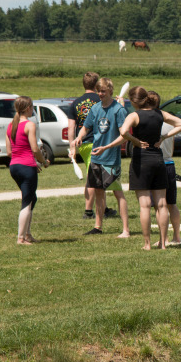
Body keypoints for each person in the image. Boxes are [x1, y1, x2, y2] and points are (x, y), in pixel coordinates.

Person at [118, 87, 181, 250]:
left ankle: (147, 244)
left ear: (134, 101)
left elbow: (122, 131)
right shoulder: (159, 114)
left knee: (145, 205)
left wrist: (134, 141)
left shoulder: (134, 115)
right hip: (158, 159)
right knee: (162, 204)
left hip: (141, 161)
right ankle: (163, 243)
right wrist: (164, 137)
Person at [71, 77, 131, 238]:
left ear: (111, 90)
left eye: (103, 91)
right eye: (98, 91)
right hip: (96, 158)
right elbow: (86, 127)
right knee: (98, 192)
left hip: (111, 159)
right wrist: (79, 137)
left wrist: (107, 147)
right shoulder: (95, 108)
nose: (100, 94)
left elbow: (124, 136)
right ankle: (98, 226)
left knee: (118, 193)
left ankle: (126, 229)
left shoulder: (119, 110)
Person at [7, 96, 50, 245]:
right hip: (26, 167)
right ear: (27, 108)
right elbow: (34, 148)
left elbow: (9, 152)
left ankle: (28, 234)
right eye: (32, 107)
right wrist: (43, 161)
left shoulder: (11, 126)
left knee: (32, 198)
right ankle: (21, 238)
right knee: (27, 201)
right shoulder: (29, 125)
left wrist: (31, 163)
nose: (33, 110)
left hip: (14, 167)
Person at [67, 71, 103, 219]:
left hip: (83, 143)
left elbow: (71, 128)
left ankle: (103, 208)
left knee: (98, 176)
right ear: (96, 85)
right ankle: (88, 211)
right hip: (98, 143)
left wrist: (73, 147)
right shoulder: (102, 99)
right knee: (93, 177)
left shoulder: (75, 103)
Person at [153, 92, 181, 245]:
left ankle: (162, 239)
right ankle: (176, 236)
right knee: (172, 204)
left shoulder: (151, 124)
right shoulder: (169, 124)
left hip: (157, 165)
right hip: (170, 164)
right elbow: (172, 148)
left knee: (160, 206)